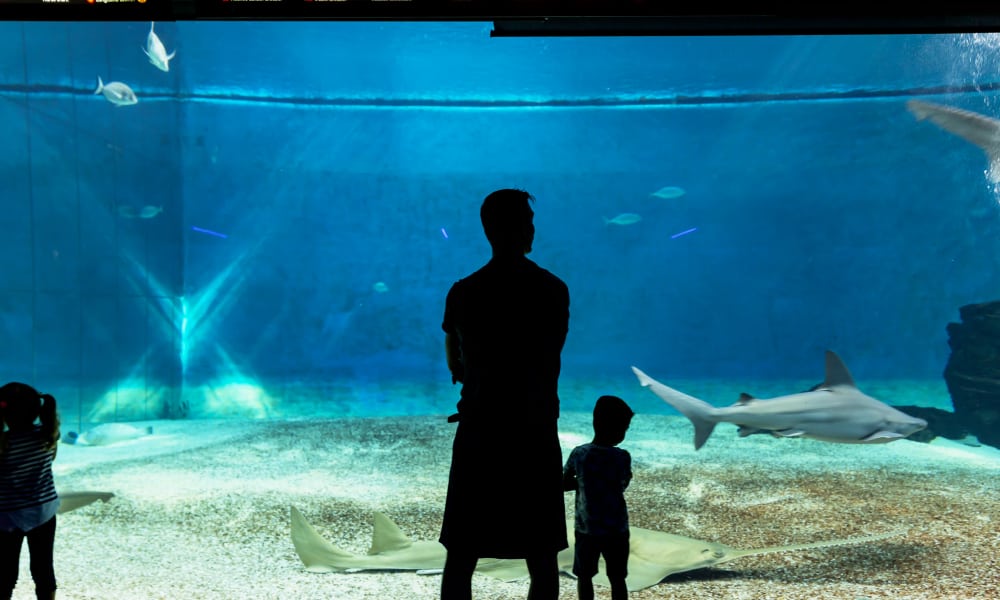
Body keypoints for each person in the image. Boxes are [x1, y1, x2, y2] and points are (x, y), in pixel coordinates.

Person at [440, 188, 570, 600]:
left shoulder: (463, 292)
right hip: (533, 433)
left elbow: (455, 367)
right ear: (519, 229)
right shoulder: (552, 289)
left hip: (480, 433)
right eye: (528, 223)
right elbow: (551, 354)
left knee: (462, 555)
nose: (531, 230)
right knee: (542, 558)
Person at [562, 395, 634, 600]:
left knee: (584, 576)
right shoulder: (622, 456)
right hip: (617, 529)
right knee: (617, 577)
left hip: (587, 528)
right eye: (624, 428)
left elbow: (563, 483)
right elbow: (622, 485)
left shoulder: (580, 453)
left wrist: (584, 482)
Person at [0, 382, 61, 600]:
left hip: (7, 519)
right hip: (43, 515)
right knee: (44, 570)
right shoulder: (46, 436)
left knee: (4, 575)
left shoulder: (3, 444)